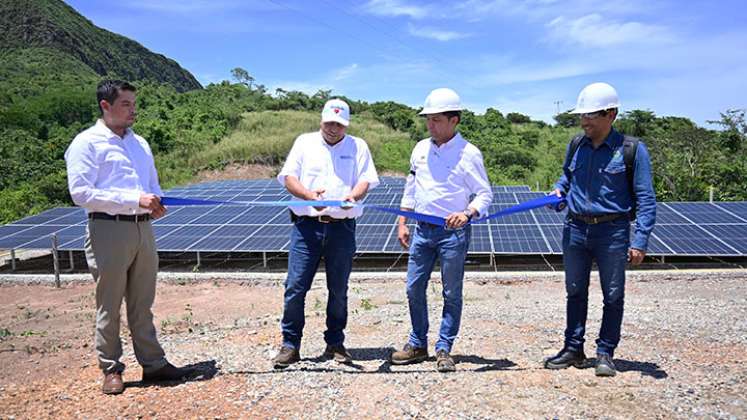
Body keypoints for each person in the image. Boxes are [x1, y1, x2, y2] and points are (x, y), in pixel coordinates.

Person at [65, 80, 194, 395]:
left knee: (142, 301)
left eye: (134, 104)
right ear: (105, 106)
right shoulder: (86, 143)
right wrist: (135, 200)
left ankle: (153, 364)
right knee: (109, 303)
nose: (133, 110)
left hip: (142, 229)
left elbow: (151, 183)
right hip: (107, 229)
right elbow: (81, 193)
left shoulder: (141, 143)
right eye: (126, 104)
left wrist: (156, 202)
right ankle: (110, 368)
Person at [544, 82, 656, 377]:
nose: (584, 121)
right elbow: (565, 179)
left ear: (611, 114)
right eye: (582, 115)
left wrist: (640, 240)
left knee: (613, 295)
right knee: (575, 291)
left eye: (591, 115)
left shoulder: (632, 150)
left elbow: (646, 198)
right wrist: (557, 192)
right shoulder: (576, 145)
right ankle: (573, 348)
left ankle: (605, 352)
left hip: (613, 232)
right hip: (575, 228)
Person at [272, 98, 379, 368]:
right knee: (296, 287)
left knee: (338, 288)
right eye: (329, 122)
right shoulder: (304, 142)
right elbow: (288, 178)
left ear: (346, 124)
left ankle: (335, 342)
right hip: (306, 227)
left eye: (339, 124)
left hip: (342, 228)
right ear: (321, 120)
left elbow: (366, 178)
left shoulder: (358, 146)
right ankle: (290, 344)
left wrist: (353, 196)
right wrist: (309, 196)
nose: (333, 128)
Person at [391, 88, 493, 372]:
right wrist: (402, 222)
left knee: (451, 292)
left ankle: (444, 347)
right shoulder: (420, 149)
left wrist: (467, 213)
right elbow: (411, 188)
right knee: (413, 287)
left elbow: (484, 194)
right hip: (422, 231)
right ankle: (417, 344)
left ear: (454, 121)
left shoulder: (469, 154)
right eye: (428, 119)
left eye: (436, 119)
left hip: (453, 233)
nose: (430, 125)